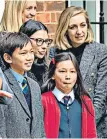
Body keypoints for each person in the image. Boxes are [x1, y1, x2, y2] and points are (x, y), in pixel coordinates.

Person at [53, 6, 107, 138]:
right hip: (60, 126)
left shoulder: (100, 51)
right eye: (73, 27)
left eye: (83, 25)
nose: (79, 31)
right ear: (65, 29)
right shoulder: (54, 53)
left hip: (93, 127)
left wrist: (84, 128)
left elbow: (100, 97)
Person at [0, 32, 45, 138]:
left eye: (31, 52)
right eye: (23, 53)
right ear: (8, 58)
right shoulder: (1, 84)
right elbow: (1, 125)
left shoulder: (34, 86)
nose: (29, 57)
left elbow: (40, 126)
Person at [41, 52, 97, 138]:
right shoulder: (43, 100)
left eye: (72, 71)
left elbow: (91, 135)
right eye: (62, 71)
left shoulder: (86, 102)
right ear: (53, 75)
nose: (68, 76)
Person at [19, 19, 53, 87]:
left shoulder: (48, 66)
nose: (44, 46)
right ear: (25, 39)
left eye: (46, 41)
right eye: (39, 40)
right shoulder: (17, 65)